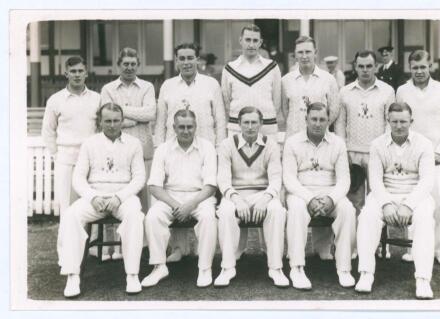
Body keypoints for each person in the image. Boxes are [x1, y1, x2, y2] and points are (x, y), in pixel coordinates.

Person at [58, 103, 146, 298]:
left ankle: (132, 274)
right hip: (95, 195)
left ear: (122, 121)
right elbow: (78, 178)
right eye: (107, 121)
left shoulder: (134, 144)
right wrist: (93, 197)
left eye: (116, 121)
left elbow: (139, 177)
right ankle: (72, 275)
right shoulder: (89, 143)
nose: (112, 125)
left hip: (123, 195)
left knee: (135, 214)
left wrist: (119, 197)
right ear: (100, 121)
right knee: (72, 214)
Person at [155, 43, 227, 264]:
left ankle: (201, 250)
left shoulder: (211, 84)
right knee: (175, 193)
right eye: (182, 58)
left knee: (202, 200)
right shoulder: (167, 85)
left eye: (190, 58)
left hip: (205, 149)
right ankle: (178, 247)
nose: (186, 62)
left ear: (198, 60)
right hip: (174, 149)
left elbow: (220, 119)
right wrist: (160, 148)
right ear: (176, 61)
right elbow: (161, 120)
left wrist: (219, 150)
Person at [355, 102, 436, 299]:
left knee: (425, 219)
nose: (399, 126)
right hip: (386, 194)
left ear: (411, 121)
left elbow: (427, 181)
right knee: (367, 216)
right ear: (388, 121)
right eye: (395, 122)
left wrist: (408, 205)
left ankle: (423, 279)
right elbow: (374, 179)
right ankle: (366, 273)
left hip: (416, 195)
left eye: (403, 122)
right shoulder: (377, 145)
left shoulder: (424, 144)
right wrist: (387, 204)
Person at [283, 102, 356, 290]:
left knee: (347, 209)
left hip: (329, 192)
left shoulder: (338, 143)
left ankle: (344, 268)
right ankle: (297, 268)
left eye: (322, 119)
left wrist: (331, 198)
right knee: (297, 209)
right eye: (313, 119)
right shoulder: (292, 142)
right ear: (306, 119)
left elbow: (344, 180)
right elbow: (289, 179)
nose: (317, 123)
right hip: (301, 192)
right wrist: (309, 198)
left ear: (328, 121)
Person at [396, 50, 440, 266]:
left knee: (438, 204)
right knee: (413, 202)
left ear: (429, 66)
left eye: (423, 67)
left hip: (436, 157)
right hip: (412, 156)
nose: (419, 71)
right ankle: (414, 249)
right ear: (409, 67)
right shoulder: (402, 91)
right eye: (415, 67)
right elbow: (398, 122)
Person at [142, 110, 218, 288]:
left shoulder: (207, 147)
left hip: (200, 197)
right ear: (174, 128)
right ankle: (159, 266)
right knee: (153, 216)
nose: (186, 131)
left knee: (208, 217)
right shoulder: (162, 149)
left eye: (189, 127)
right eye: (181, 127)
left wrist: (190, 205)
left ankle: (205, 268)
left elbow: (211, 185)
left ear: (195, 127)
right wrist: (177, 205)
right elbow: (154, 186)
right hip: (171, 197)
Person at [281, 36, 340, 260]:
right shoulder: (287, 80)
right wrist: (299, 129)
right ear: (294, 55)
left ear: (316, 52)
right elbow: (284, 111)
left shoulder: (328, 80)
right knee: (293, 192)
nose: (304, 56)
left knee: (323, 186)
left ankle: (322, 246)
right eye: (300, 52)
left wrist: (317, 128)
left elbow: (333, 110)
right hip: (294, 142)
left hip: (320, 140)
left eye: (308, 51)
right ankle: (293, 248)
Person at [215, 106, 288, 288]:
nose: (250, 127)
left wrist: (265, 199)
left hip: (262, 194)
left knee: (277, 211)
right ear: (238, 124)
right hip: (236, 194)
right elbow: (223, 180)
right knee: (225, 211)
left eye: (254, 122)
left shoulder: (270, 144)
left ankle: (276, 267)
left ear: (261, 124)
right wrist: (237, 199)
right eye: (246, 122)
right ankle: (227, 267)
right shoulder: (226, 145)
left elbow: (276, 178)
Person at [41, 56, 101, 262]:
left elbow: (101, 128)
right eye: (73, 71)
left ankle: (90, 250)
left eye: (80, 71)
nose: (77, 75)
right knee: (67, 209)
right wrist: (58, 155)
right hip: (66, 160)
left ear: (86, 73)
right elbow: (48, 132)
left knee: (92, 206)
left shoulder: (96, 98)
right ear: (66, 74)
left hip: (92, 162)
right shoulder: (55, 100)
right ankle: (66, 255)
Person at [335, 50, 395, 215]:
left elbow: (390, 123)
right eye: (361, 66)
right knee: (354, 201)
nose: (365, 70)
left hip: (377, 153)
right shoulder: (345, 92)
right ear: (355, 67)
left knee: (377, 200)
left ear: (376, 67)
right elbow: (340, 124)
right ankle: (354, 241)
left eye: (369, 66)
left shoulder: (387, 91)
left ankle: (376, 241)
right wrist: (343, 151)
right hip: (352, 153)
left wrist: (386, 149)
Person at [100, 47, 156, 212]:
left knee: (144, 195)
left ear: (138, 65)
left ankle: (144, 237)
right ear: (119, 65)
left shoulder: (147, 87)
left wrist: (121, 111)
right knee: (118, 195)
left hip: (144, 148)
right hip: (117, 149)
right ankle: (119, 236)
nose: (129, 67)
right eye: (125, 64)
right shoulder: (108, 89)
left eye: (133, 64)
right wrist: (136, 118)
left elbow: (150, 113)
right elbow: (108, 119)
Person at [221, 24, 281, 137]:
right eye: (248, 40)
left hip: (267, 128)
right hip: (237, 128)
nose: (251, 44)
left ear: (260, 42)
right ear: (240, 40)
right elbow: (227, 101)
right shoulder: (229, 68)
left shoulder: (272, 67)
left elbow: (276, 102)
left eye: (255, 40)